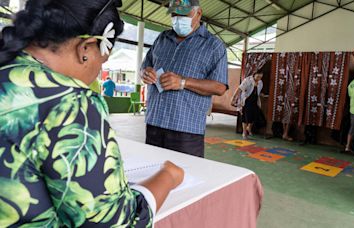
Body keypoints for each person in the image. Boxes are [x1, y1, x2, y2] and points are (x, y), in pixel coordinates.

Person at [0, 0, 183, 227]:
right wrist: (168, 177)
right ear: (85, 49)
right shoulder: (70, 101)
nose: (98, 73)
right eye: (103, 61)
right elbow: (112, 222)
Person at [141, 0, 228, 158]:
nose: (178, 18)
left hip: (186, 131)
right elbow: (145, 66)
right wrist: (145, 73)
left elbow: (220, 87)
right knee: (151, 173)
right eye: (174, 14)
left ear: (198, 13)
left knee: (186, 177)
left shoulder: (213, 46)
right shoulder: (162, 39)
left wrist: (183, 82)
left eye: (183, 14)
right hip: (154, 124)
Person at [231, 71, 264, 139]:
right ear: (254, 75)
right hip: (247, 101)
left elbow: (257, 92)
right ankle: (244, 133)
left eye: (260, 77)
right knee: (245, 117)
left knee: (256, 114)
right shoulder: (247, 80)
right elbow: (239, 89)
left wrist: (261, 94)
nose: (259, 78)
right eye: (258, 77)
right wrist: (234, 98)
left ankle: (249, 127)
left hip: (255, 101)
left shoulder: (260, 82)